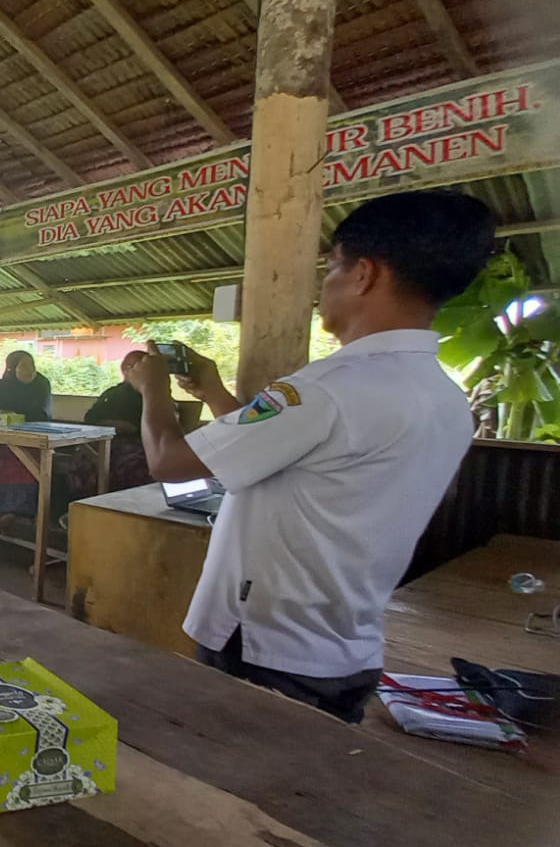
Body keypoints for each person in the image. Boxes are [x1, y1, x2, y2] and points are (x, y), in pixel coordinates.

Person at [130, 190, 494, 722]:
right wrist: (211, 392)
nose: (325, 287)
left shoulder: (326, 389)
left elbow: (168, 460)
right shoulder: (444, 397)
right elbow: (282, 450)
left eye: (331, 270)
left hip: (263, 648)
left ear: (364, 274)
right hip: (347, 650)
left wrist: (152, 389)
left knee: (232, 791)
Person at [0, 352, 55, 532]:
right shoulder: (3, 385)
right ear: (11, 368)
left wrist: (13, 415)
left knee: (25, 461)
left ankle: (14, 514)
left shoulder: (41, 384)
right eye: (23, 366)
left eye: (32, 364)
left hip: (34, 438)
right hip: (5, 439)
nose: (29, 370)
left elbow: (42, 413)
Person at [85, 349, 151, 489]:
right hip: (106, 440)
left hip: (139, 444)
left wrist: (132, 428)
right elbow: (90, 417)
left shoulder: (154, 395)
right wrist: (114, 425)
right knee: (83, 457)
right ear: (126, 370)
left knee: (130, 462)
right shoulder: (113, 393)